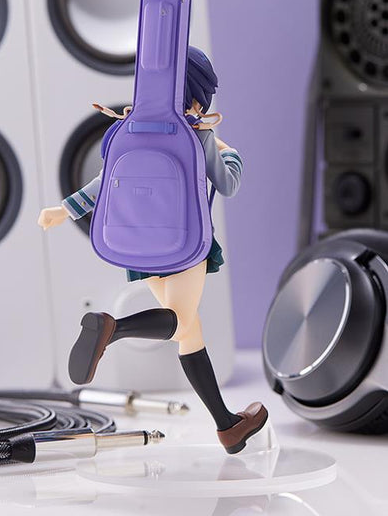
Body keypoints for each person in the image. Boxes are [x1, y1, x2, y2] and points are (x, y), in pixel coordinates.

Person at [38, 46, 268, 454]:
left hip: (139, 247)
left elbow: (105, 182)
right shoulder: (198, 135)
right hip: (184, 244)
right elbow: (228, 184)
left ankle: (228, 426)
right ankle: (113, 329)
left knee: (190, 332)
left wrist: (64, 210)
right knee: (182, 322)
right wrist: (225, 149)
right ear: (197, 97)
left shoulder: (133, 128)